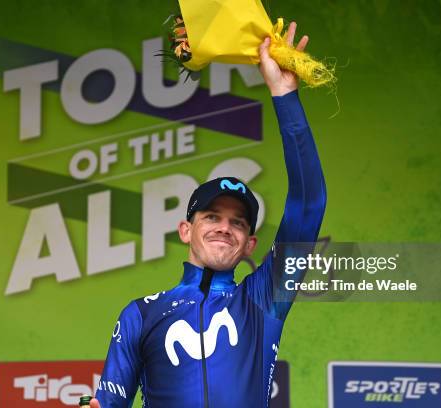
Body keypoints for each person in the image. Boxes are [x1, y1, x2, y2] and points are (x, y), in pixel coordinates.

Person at [91, 22, 327, 408]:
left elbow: (309, 202)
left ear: (250, 243)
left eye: (238, 222)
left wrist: (284, 96)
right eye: (212, 216)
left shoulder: (262, 298)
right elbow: (109, 401)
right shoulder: (141, 314)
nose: (224, 228)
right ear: (186, 230)